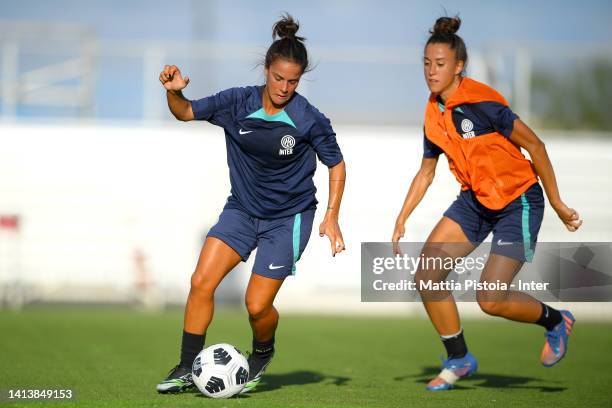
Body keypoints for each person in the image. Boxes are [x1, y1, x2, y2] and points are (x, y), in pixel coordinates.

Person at [155, 14, 346, 394]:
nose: (284, 87)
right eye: (278, 78)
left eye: (293, 81)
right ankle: (184, 366)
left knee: (256, 305)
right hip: (241, 210)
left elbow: (336, 163)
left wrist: (332, 216)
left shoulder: (307, 118)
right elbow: (185, 111)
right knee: (200, 281)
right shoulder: (236, 102)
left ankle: (262, 351)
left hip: (287, 219)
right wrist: (173, 91)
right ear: (266, 70)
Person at [392, 16, 582, 391]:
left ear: (459, 66)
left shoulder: (482, 102)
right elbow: (426, 172)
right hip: (476, 201)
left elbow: (535, 146)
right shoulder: (432, 112)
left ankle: (556, 321)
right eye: (427, 64)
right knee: (427, 274)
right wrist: (402, 218)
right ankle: (459, 358)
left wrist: (558, 203)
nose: (432, 71)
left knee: (490, 299)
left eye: (440, 64)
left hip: (518, 200)